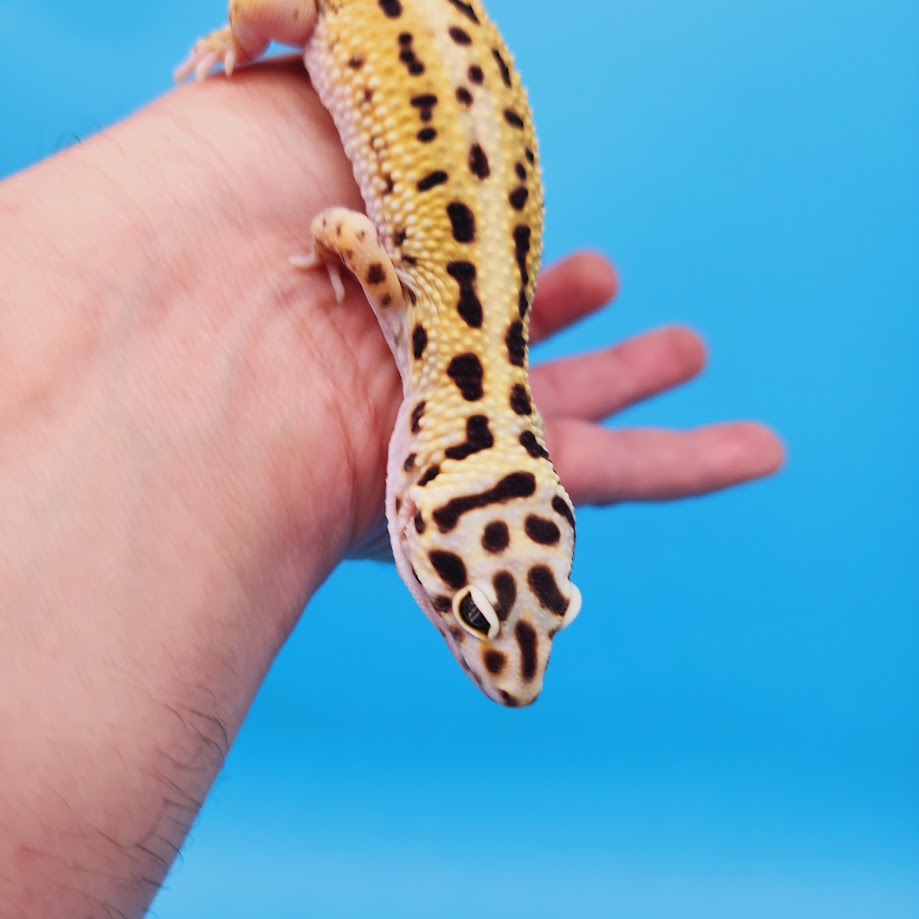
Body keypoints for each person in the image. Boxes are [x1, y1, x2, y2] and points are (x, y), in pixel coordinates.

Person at [0, 59, 783, 917]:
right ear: (414, 491)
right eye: (476, 617)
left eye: (517, 612)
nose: (513, 668)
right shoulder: (427, 336)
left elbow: (345, 228)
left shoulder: (476, 360)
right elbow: (339, 228)